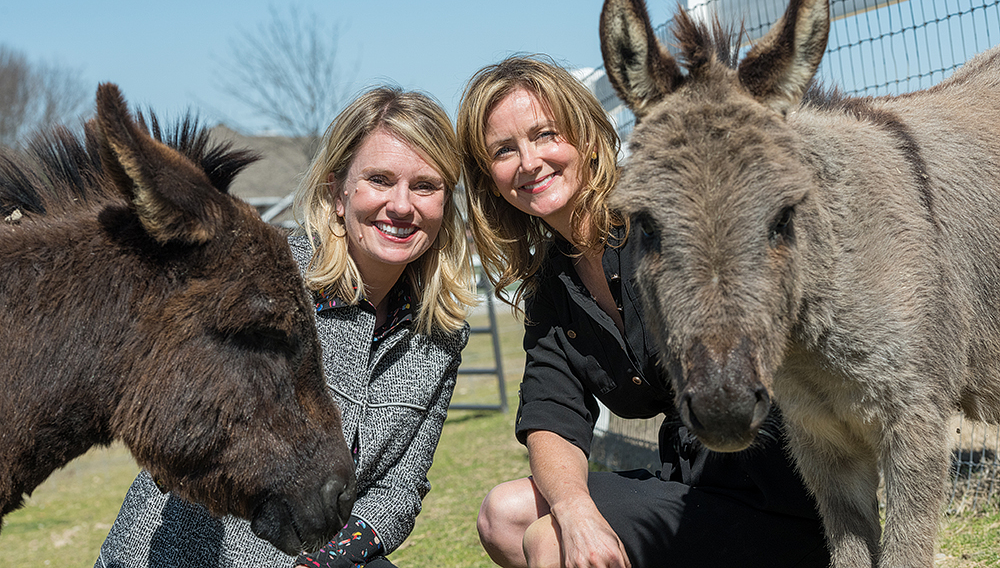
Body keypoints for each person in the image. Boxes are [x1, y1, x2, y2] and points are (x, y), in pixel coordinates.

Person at [456, 55, 830, 568]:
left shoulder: (664, 220)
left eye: (545, 134)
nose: (529, 161)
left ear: (586, 136)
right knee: (505, 515)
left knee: (545, 542)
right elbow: (552, 415)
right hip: (688, 487)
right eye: (504, 149)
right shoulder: (555, 285)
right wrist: (574, 508)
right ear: (490, 176)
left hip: (781, 490)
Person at [94, 86, 477, 568]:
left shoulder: (440, 339)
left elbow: (399, 490)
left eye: (425, 185)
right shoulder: (261, 281)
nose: (401, 205)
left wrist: (322, 562)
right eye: (379, 179)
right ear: (337, 193)